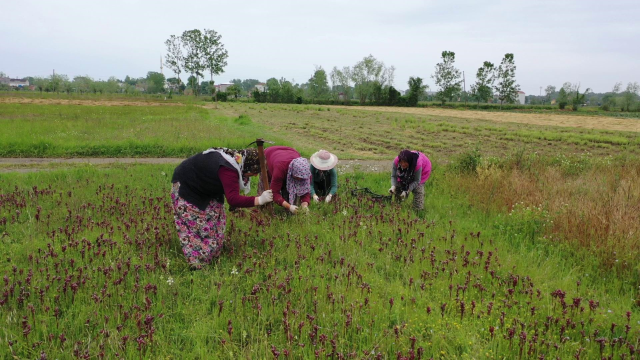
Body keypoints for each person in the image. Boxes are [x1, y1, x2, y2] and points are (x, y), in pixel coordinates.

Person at [171, 148, 273, 268]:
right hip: (187, 186)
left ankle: (212, 255)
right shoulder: (228, 169)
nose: (255, 175)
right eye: (255, 171)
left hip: (205, 187)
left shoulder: (237, 162)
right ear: (249, 166)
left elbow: (230, 189)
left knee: (216, 219)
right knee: (198, 225)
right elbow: (233, 199)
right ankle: (198, 264)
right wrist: (260, 200)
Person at [261, 146, 311, 214]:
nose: (300, 180)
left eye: (302, 179)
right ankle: (264, 211)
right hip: (271, 155)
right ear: (292, 172)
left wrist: (305, 205)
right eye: (297, 177)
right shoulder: (280, 169)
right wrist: (289, 206)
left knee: (291, 207)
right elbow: (274, 192)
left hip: (290, 151)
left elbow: (305, 190)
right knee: (266, 194)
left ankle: (287, 211)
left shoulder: (306, 173)